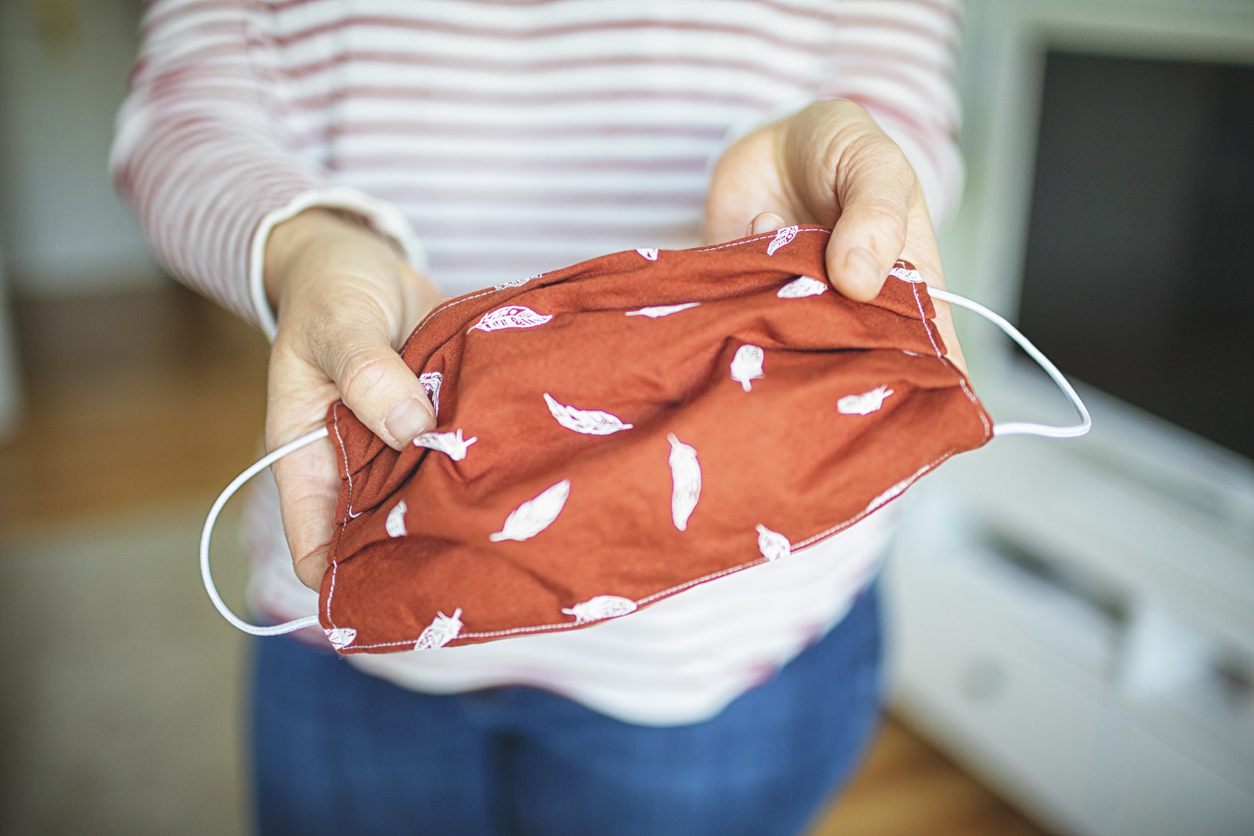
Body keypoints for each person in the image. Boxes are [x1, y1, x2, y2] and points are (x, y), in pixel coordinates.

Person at [112, 2, 965, 834]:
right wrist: (308, 246)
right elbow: (184, 111)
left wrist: (831, 186)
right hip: (351, 577)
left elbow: (898, 106)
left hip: (725, 639)